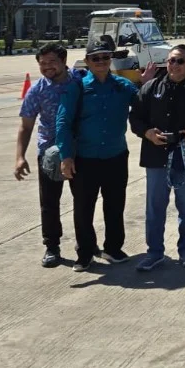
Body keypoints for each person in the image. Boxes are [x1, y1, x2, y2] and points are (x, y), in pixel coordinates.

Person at [56, 35, 141, 272]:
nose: (101, 61)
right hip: (84, 158)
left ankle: (113, 248)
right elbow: (63, 122)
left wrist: (149, 82)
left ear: (111, 58)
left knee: (115, 205)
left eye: (105, 57)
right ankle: (85, 252)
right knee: (83, 207)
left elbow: (145, 104)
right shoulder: (77, 88)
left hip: (116, 156)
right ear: (87, 61)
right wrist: (66, 156)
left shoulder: (123, 87)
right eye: (96, 58)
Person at [128, 44, 185, 271]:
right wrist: (148, 133)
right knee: (154, 208)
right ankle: (154, 253)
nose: (174, 65)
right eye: (171, 60)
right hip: (156, 157)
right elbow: (135, 118)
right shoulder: (151, 87)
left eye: (180, 61)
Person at [15, 43, 75, 267]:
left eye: (52, 62)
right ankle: (52, 246)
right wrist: (20, 157)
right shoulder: (37, 90)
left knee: (84, 200)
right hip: (49, 153)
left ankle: (86, 243)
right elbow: (26, 126)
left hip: (80, 151)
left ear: (64, 61)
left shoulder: (80, 81)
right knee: (49, 202)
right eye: (42, 63)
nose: (47, 67)